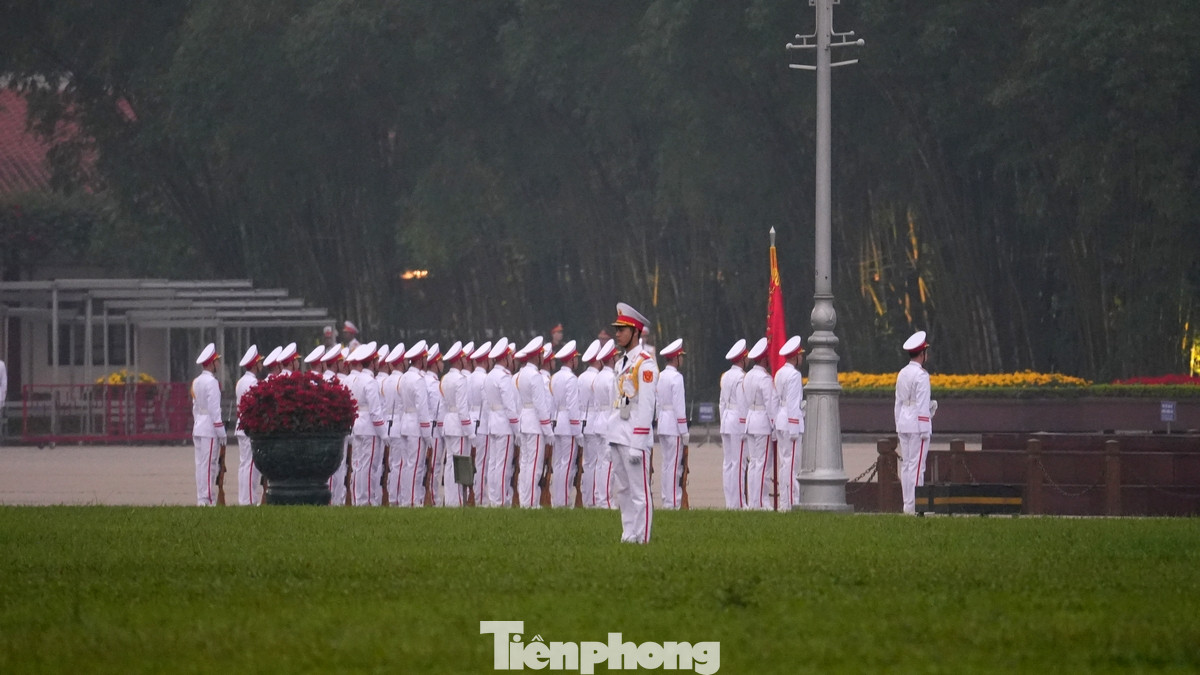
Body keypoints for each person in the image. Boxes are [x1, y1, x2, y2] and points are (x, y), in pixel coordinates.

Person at [606, 302, 658, 544]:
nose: (617, 334)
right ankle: (628, 534)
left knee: (639, 492)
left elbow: (646, 405)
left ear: (635, 332)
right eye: (617, 329)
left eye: (622, 329)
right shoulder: (621, 363)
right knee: (624, 490)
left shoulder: (645, 363)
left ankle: (642, 537)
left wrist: (639, 442)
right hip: (618, 433)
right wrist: (609, 437)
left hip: (634, 436)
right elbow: (617, 402)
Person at [895, 330, 937, 515]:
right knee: (918, 467)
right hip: (917, 425)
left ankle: (908, 505)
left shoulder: (902, 373)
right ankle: (915, 507)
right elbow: (921, 404)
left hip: (904, 422)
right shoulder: (921, 375)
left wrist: (898, 423)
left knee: (906, 466)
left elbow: (898, 402)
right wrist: (925, 429)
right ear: (922, 354)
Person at [514, 336, 553, 508]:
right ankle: (530, 502)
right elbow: (540, 405)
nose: (543, 357)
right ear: (537, 356)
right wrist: (548, 430)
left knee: (525, 464)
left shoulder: (522, 374)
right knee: (534, 466)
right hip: (535, 424)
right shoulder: (535, 376)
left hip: (524, 421)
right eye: (542, 354)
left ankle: (525, 500)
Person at [346, 343, 386, 506]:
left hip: (358, 425)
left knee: (359, 465)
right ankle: (367, 500)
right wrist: (383, 433)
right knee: (369, 467)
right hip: (370, 428)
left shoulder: (357, 379)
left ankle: (358, 499)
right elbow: (375, 411)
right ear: (372, 362)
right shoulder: (370, 381)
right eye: (376, 361)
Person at [742, 338, 779, 510]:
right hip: (762, 422)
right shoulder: (764, 378)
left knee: (754, 463)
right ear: (764, 358)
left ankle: (753, 502)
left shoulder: (748, 376)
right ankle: (762, 501)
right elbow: (770, 405)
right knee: (763, 464)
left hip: (751, 420)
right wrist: (775, 425)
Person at [483, 338, 520, 507]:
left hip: (493, 423)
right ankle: (501, 500)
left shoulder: (490, 375)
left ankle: (493, 498)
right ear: (505, 358)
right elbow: (510, 406)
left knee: (493, 464)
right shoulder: (504, 377)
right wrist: (517, 429)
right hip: (504, 425)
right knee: (503, 465)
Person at [191, 343, 227, 506]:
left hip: (199, 424)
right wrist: (221, 432)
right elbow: (214, 410)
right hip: (209, 428)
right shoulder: (212, 382)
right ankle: (208, 499)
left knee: (200, 465)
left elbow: (195, 407)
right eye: (216, 361)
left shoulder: (196, 381)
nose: (218, 364)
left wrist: (198, 422)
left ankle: (201, 498)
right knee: (209, 465)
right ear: (211, 363)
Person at [655, 338, 689, 510]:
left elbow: (657, 402)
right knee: (675, 466)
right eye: (680, 356)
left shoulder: (660, 376)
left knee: (666, 464)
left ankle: (666, 499)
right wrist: (684, 430)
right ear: (675, 358)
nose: (682, 359)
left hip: (663, 422)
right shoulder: (677, 377)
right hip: (673, 425)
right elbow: (679, 406)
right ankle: (674, 501)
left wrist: (658, 419)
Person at [773, 336, 806, 510]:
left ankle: (784, 502)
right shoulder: (794, 375)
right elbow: (793, 403)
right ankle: (792, 503)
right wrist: (794, 426)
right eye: (800, 355)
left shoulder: (780, 373)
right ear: (795, 356)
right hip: (790, 421)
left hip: (780, 419)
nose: (802, 357)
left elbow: (775, 400)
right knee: (792, 465)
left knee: (784, 464)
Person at [439, 342, 472, 507]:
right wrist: (469, 431)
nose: (466, 360)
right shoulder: (460, 380)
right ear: (459, 360)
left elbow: (443, 405)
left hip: (448, 422)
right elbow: (462, 408)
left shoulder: (445, 378)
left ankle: (451, 499)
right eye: (464, 358)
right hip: (458, 425)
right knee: (458, 464)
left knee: (450, 464)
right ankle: (457, 501)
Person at [550, 340, 582, 507]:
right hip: (568, 425)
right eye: (575, 358)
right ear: (571, 360)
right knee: (567, 465)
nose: (577, 361)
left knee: (558, 464)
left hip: (557, 422)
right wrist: (577, 431)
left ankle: (557, 499)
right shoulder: (571, 379)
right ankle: (563, 501)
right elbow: (572, 406)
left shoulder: (555, 377)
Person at [719, 339, 749, 509]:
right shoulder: (741, 377)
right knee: (739, 463)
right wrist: (745, 426)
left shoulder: (726, 376)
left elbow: (722, 402)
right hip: (737, 420)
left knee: (728, 463)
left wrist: (722, 420)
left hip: (727, 419)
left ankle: (730, 501)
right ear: (742, 359)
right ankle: (739, 503)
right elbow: (743, 403)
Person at [234, 345, 265, 506]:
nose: (261, 364)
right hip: (250, 427)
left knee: (244, 464)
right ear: (254, 365)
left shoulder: (241, 382)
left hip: (242, 425)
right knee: (251, 465)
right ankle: (249, 499)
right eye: (259, 362)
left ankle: (244, 498)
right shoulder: (253, 383)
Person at [576, 340, 601, 507]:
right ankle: (591, 498)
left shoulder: (581, 377)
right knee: (594, 463)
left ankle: (586, 497)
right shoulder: (597, 378)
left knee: (587, 463)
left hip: (582, 421)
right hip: (593, 422)